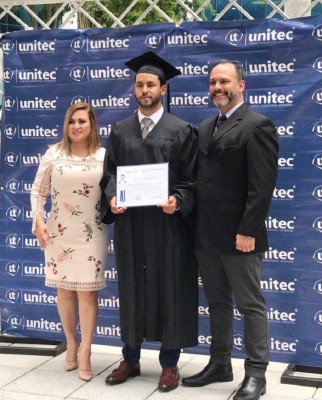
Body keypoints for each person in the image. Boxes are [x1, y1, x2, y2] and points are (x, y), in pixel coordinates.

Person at [100, 51, 199, 392]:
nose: (144, 90)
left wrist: (179, 200)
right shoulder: (120, 130)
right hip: (131, 226)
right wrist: (113, 197)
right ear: (134, 89)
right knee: (131, 288)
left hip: (167, 226)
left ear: (163, 89)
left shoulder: (181, 130)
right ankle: (130, 357)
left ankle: (169, 364)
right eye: (139, 84)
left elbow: (191, 179)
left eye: (151, 84)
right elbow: (110, 174)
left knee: (170, 288)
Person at [181, 60, 278, 400]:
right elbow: (200, 180)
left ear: (241, 85)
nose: (217, 87)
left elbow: (262, 185)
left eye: (224, 81)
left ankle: (256, 375)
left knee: (250, 305)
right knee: (217, 302)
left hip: (240, 234)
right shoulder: (206, 126)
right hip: (206, 233)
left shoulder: (257, 125)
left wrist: (249, 229)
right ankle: (220, 363)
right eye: (212, 82)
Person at [30, 102, 108, 382]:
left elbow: (112, 191)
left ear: (92, 125)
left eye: (83, 122)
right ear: (67, 124)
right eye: (73, 121)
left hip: (92, 234)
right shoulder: (54, 154)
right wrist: (38, 221)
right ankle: (71, 342)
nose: (77, 126)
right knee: (64, 291)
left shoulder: (103, 156)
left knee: (88, 294)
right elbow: (38, 191)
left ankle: (86, 349)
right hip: (59, 232)